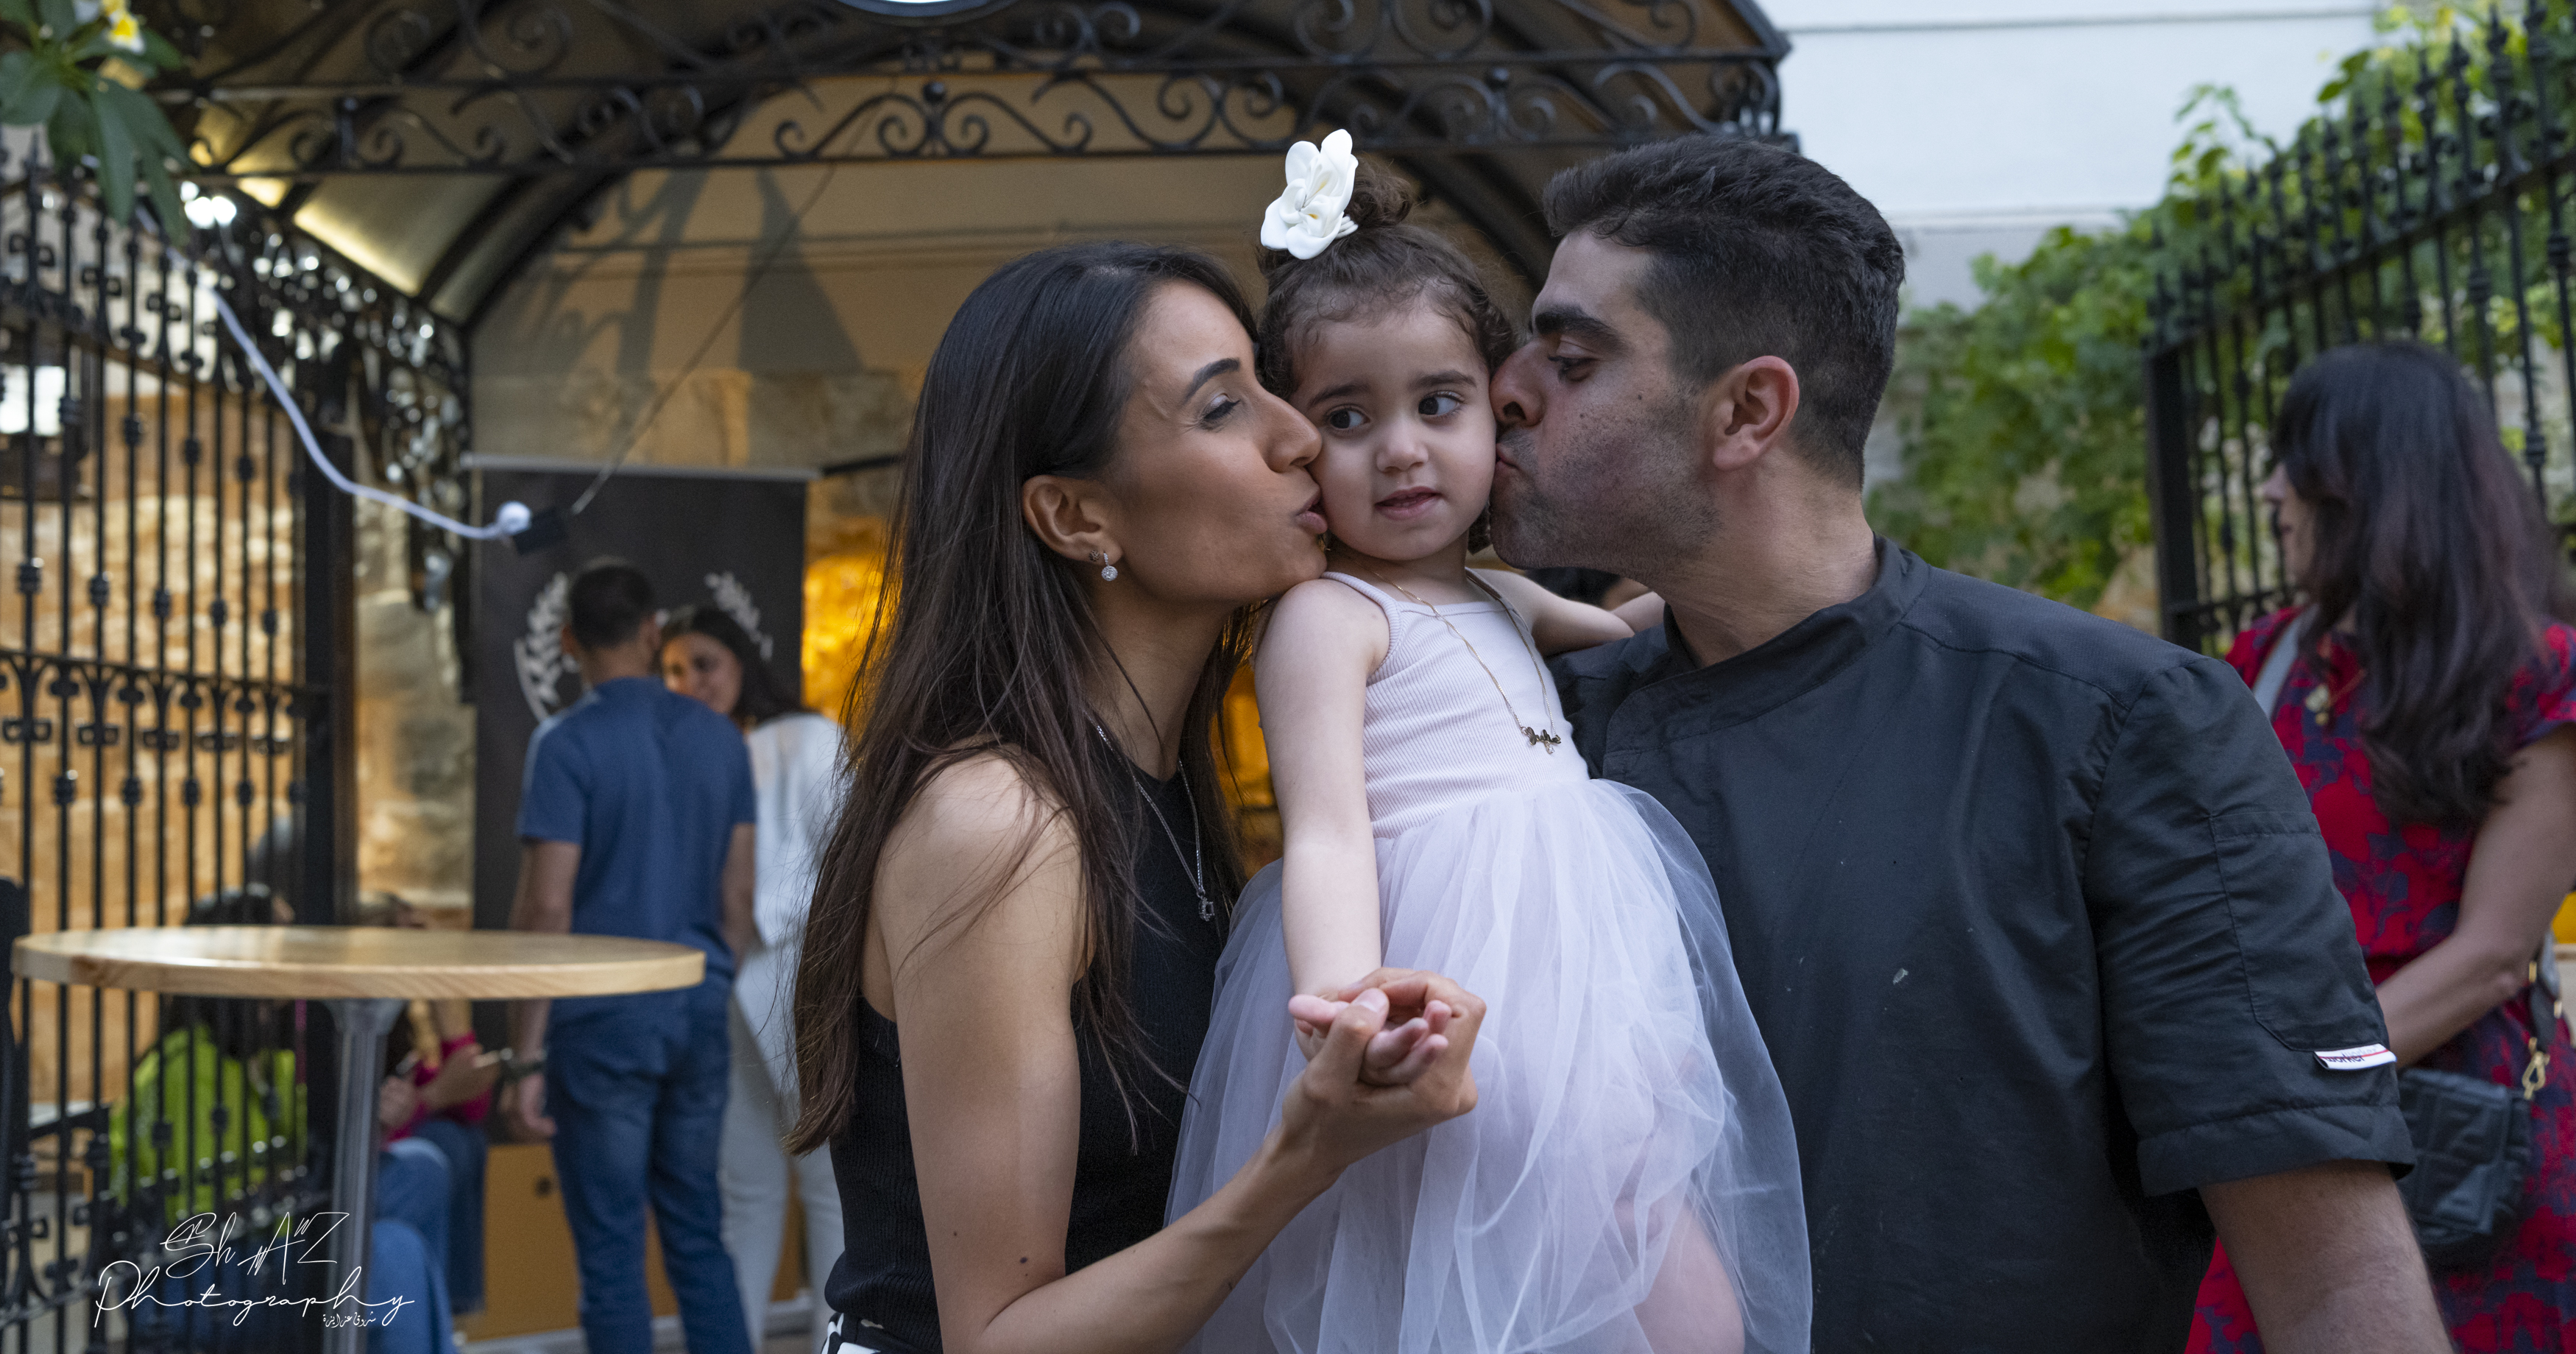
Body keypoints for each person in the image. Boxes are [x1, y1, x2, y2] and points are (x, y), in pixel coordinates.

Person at [1498, 134, 2449, 1352]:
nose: (1507, 388)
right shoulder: (1530, 733)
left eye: (1572, 358)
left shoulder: (2117, 724)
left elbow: (2332, 1282)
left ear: (1747, 411)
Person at [785, 242, 1487, 1354]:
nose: (1300, 435)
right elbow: (998, 1337)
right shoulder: (1001, 823)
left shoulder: (1164, 785)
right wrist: (1305, 1154)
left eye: (1268, 384)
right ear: (1075, 516)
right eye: (1222, 407)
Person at [1165, 149, 1808, 1352]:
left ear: (1496, 413)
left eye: (1437, 404)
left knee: (1660, 1263)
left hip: (1583, 967)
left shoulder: (1500, 593)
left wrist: (1749, 557)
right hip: (1457, 970)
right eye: (1347, 418)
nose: (1401, 449)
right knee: (1491, 1262)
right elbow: (1327, 827)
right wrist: (1349, 998)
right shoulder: (1329, 617)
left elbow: (1629, 624)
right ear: (1295, 443)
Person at [2188, 340, 2576, 1350]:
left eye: (2292, 459)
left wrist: (2288, 1085)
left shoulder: (2536, 672)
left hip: (2457, 1130)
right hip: (2278, 1127)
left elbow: (2493, 955)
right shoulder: (2261, 661)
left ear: (2362, 478)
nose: (2270, 490)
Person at [508, 559, 758, 1354]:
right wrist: (711, 981)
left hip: (601, 1020)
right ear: (653, 633)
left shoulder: (564, 743)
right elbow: (738, 896)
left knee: (612, 1251)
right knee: (699, 1232)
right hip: (697, 1003)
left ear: (567, 640)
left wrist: (525, 1055)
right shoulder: (722, 738)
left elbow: (547, 906)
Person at [110, 887, 453, 1354]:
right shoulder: (181, 1071)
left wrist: (371, 1130)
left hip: (275, 1236)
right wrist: (319, 1210)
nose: (306, 949)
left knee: (421, 1168)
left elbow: (317, 1154)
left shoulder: (271, 1061)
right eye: (288, 938)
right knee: (390, 1250)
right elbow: (205, 1222)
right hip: (193, 1278)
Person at [661, 603, 848, 1354]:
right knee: (746, 1189)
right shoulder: (689, 751)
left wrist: (769, 921)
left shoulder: (811, 738)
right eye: (674, 670)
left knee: (831, 1184)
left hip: (801, 978)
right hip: (719, 987)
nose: (690, 682)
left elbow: (848, 863)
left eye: (703, 663)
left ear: (741, 660)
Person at [359, 892, 500, 1320]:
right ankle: (440, 1314)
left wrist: (442, 991)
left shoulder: (392, 1024)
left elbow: (471, 1101)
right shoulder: (336, 1019)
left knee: (460, 1139)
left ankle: (446, 1315)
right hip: (338, 1173)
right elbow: (353, 1130)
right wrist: (432, 1098)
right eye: (410, 940)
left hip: (380, 1153)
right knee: (439, 1152)